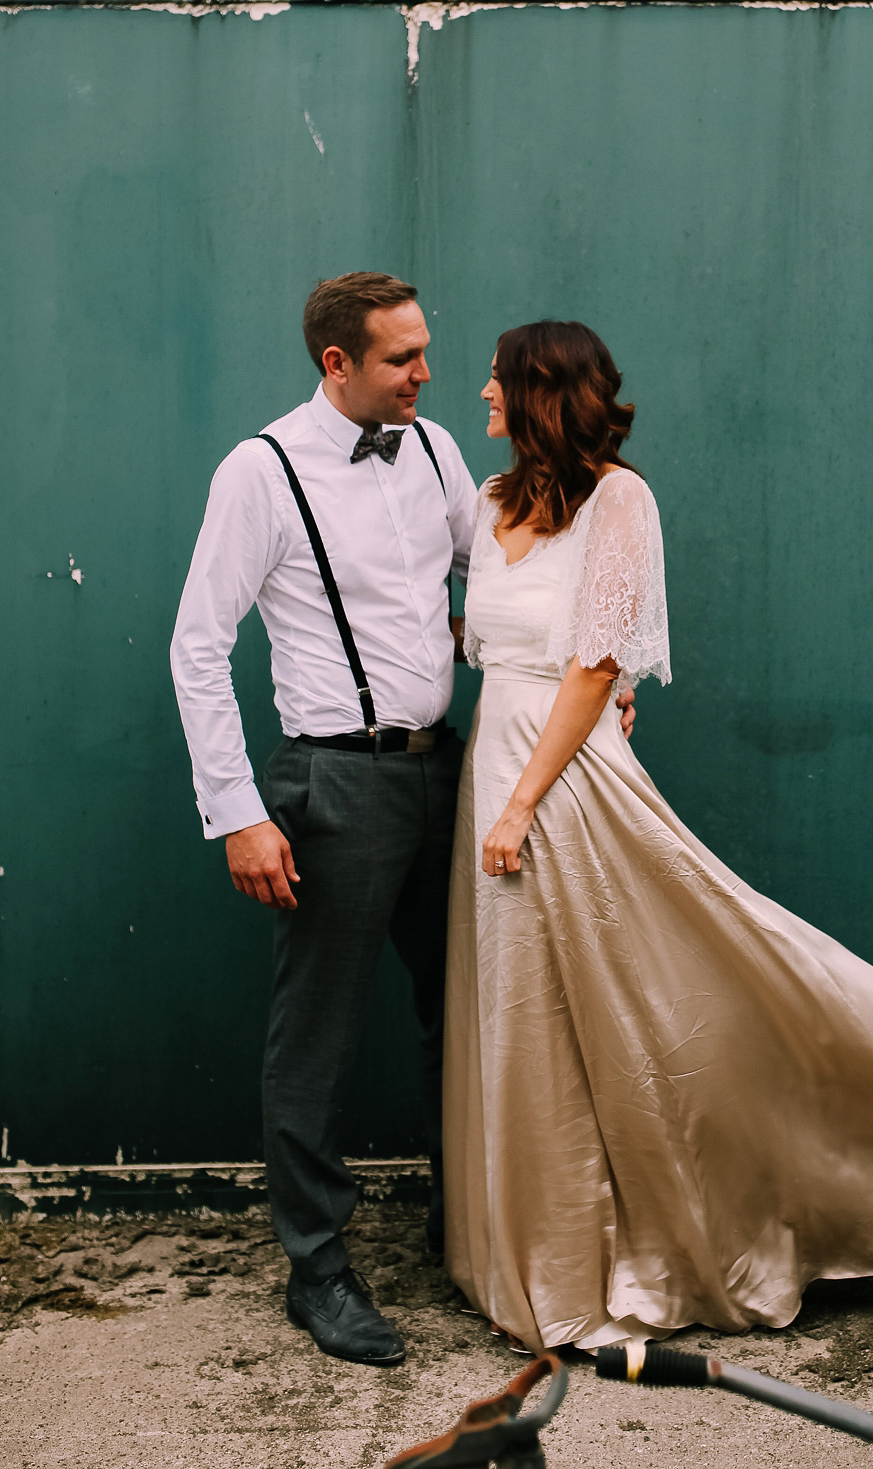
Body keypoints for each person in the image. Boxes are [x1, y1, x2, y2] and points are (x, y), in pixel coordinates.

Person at [443, 319, 873, 1356]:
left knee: (676, 982)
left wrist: (525, 798)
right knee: (525, 1005)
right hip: (498, 757)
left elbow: (593, 662)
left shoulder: (623, 499)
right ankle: (537, 1255)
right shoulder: (487, 505)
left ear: (537, 393)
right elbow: (487, 642)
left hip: (559, 779)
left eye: (493, 380)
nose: (477, 393)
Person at [170, 274, 631, 1368]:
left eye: (427, 353)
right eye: (401, 360)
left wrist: (606, 663)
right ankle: (318, 1269)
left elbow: (508, 573)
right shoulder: (263, 470)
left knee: (469, 1010)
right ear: (338, 363)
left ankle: (461, 1226)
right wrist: (237, 811)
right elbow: (197, 645)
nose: (427, 374)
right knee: (316, 1038)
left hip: (452, 777)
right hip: (332, 783)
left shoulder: (429, 453)